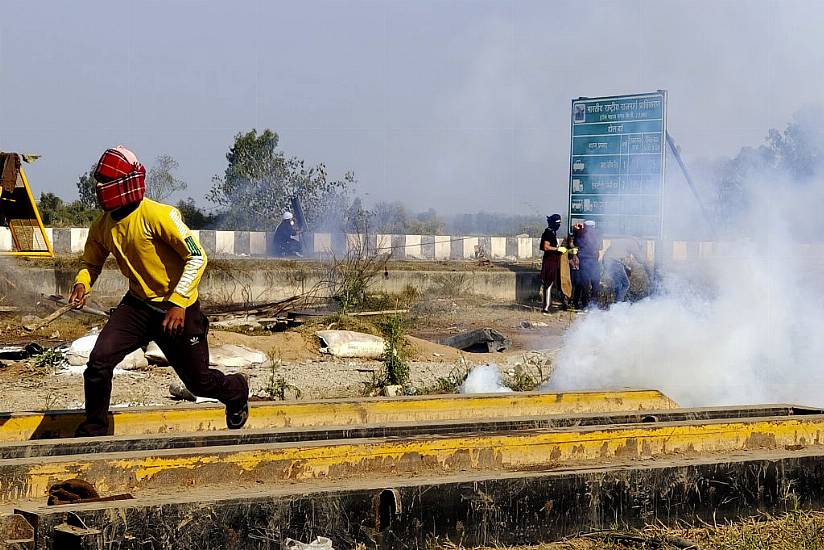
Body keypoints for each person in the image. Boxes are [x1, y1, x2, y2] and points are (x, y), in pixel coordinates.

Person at [69, 146, 249, 437]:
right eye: (97, 180)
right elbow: (91, 262)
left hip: (178, 311)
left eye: (104, 181)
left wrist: (178, 303)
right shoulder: (102, 226)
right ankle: (94, 429)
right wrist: (82, 283)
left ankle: (237, 390)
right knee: (99, 361)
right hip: (137, 307)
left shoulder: (160, 216)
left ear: (124, 183)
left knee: (199, 383)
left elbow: (197, 256)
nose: (99, 187)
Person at [602, 237, 645, 303]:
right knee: (625, 284)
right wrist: (644, 260)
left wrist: (626, 267)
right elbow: (640, 259)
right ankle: (618, 303)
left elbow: (620, 255)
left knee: (618, 283)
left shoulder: (625, 239)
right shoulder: (633, 243)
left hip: (607, 260)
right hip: (614, 262)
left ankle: (617, 302)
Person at [538, 214, 567, 313]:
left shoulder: (553, 233)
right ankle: (546, 308)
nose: (559, 225)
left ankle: (560, 304)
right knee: (549, 283)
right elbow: (546, 247)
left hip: (555, 261)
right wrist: (558, 249)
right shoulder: (548, 233)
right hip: (549, 261)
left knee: (557, 283)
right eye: (557, 223)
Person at [576, 220, 603, 309]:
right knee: (595, 283)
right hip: (594, 261)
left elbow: (576, 243)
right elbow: (600, 248)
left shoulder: (581, 233)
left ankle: (585, 305)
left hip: (584, 261)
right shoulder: (598, 234)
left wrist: (578, 229)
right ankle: (593, 305)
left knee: (585, 285)